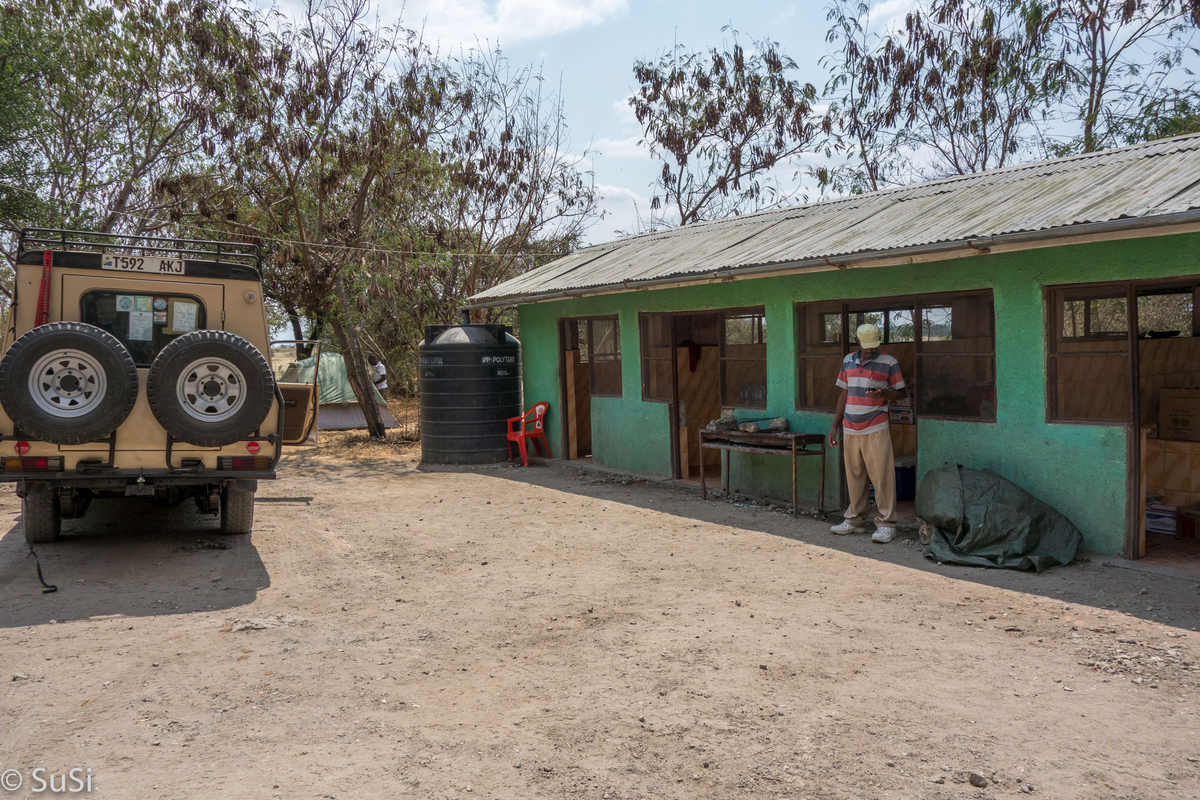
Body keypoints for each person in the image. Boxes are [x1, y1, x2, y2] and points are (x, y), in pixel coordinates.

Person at [827, 323, 907, 543]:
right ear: (858, 340)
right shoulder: (847, 361)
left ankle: (887, 524)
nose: (870, 349)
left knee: (882, 476)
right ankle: (854, 521)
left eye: (874, 345)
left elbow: (901, 393)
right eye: (867, 345)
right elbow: (844, 395)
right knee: (854, 476)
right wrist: (835, 426)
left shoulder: (889, 362)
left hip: (876, 425)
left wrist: (884, 393)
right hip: (850, 427)